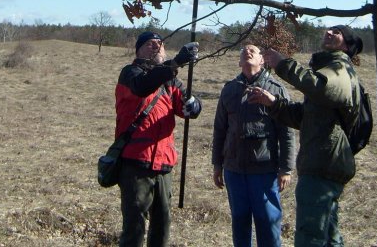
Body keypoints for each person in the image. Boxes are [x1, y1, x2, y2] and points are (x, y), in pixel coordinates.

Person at [248, 25, 362, 247]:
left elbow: (321, 87)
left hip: (324, 163)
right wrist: (273, 103)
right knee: (328, 236)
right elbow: (307, 117)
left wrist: (283, 64)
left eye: (336, 32)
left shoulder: (340, 68)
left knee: (310, 236)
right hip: (323, 162)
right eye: (328, 30)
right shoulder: (330, 67)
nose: (329, 33)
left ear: (347, 45)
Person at [114, 31, 201, 247]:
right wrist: (177, 61)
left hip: (164, 163)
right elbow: (143, 86)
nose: (157, 47)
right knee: (134, 229)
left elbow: (189, 105)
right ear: (139, 50)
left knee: (162, 227)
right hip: (136, 162)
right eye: (151, 44)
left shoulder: (170, 81)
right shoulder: (130, 74)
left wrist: (194, 105)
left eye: (160, 44)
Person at [212, 44, 297, 247]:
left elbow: (287, 133)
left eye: (253, 50)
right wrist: (217, 164)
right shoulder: (229, 90)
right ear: (239, 62)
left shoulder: (275, 90)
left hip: (264, 170)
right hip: (234, 169)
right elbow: (219, 130)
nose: (247, 51)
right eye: (244, 51)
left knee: (268, 222)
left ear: (262, 60)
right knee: (240, 221)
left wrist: (286, 169)